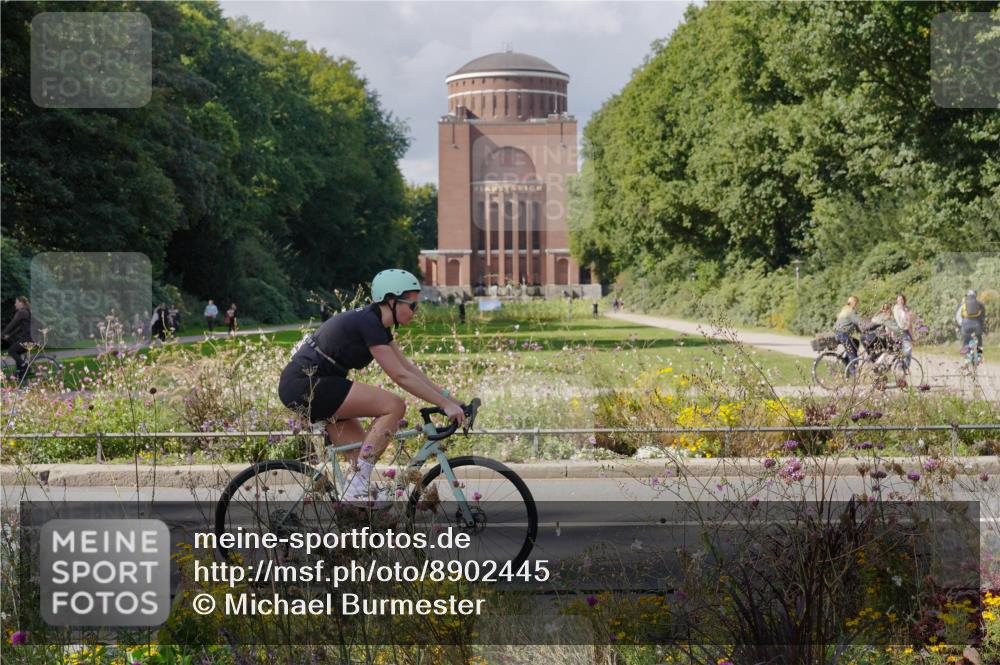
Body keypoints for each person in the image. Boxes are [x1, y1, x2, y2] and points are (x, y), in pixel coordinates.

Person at [278, 269, 465, 503]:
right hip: (306, 384)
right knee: (394, 405)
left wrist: (451, 399)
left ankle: (353, 517)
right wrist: (444, 405)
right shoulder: (369, 323)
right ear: (392, 301)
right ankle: (355, 490)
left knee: (361, 461)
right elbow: (399, 376)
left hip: (318, 385)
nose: (416, 312)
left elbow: (408, 369)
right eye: (413, 305)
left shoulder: (378, 324)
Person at [2, 297, 33, 381]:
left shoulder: (21, 312)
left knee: (12, 350)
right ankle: (19, 373)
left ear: (21, 303)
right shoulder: (27, 311)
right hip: (32, 338)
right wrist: (10, 335)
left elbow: (12, 324)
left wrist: (2, 334)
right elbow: (19, 327)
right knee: (17, 351)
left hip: (28, 339)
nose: (15, 304)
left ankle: (25, 367)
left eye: (16, 302)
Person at [833, 296, 862, 365]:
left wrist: (860, 331)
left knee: (856, 342)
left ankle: (846, 360)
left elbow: (856, 325)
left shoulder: (845, 310)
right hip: (843, 335)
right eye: (858, 303)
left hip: (838, 334)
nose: (858, 305)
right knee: (852, 355)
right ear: (854, 303)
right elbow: (859, 322)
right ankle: (854, 373)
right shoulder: (851, 312)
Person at [956, 289, 986, 355]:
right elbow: (983, 317)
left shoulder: (962, 304)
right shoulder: (980, 304)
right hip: (976, 326)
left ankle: (966, 355)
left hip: (965, 326)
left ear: (967, 296)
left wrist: (958, 326)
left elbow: (957, 317)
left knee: (966, 338)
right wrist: (982, 326)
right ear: (975, 296)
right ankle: (979, 354)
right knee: (979, 337)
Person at [893, 293, 914, 368]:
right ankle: (900, 367)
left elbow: (909, 324)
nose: (900, 301)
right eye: (898, 300)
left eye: (901, 299)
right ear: (896, 301)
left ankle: (902, 368)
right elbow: (899, 322)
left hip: (906, 331)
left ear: (904, 300)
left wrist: (912, 336)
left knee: (907, 352)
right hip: (899, 331)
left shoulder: (907, 309)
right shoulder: (896, 308)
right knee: (906, 349)